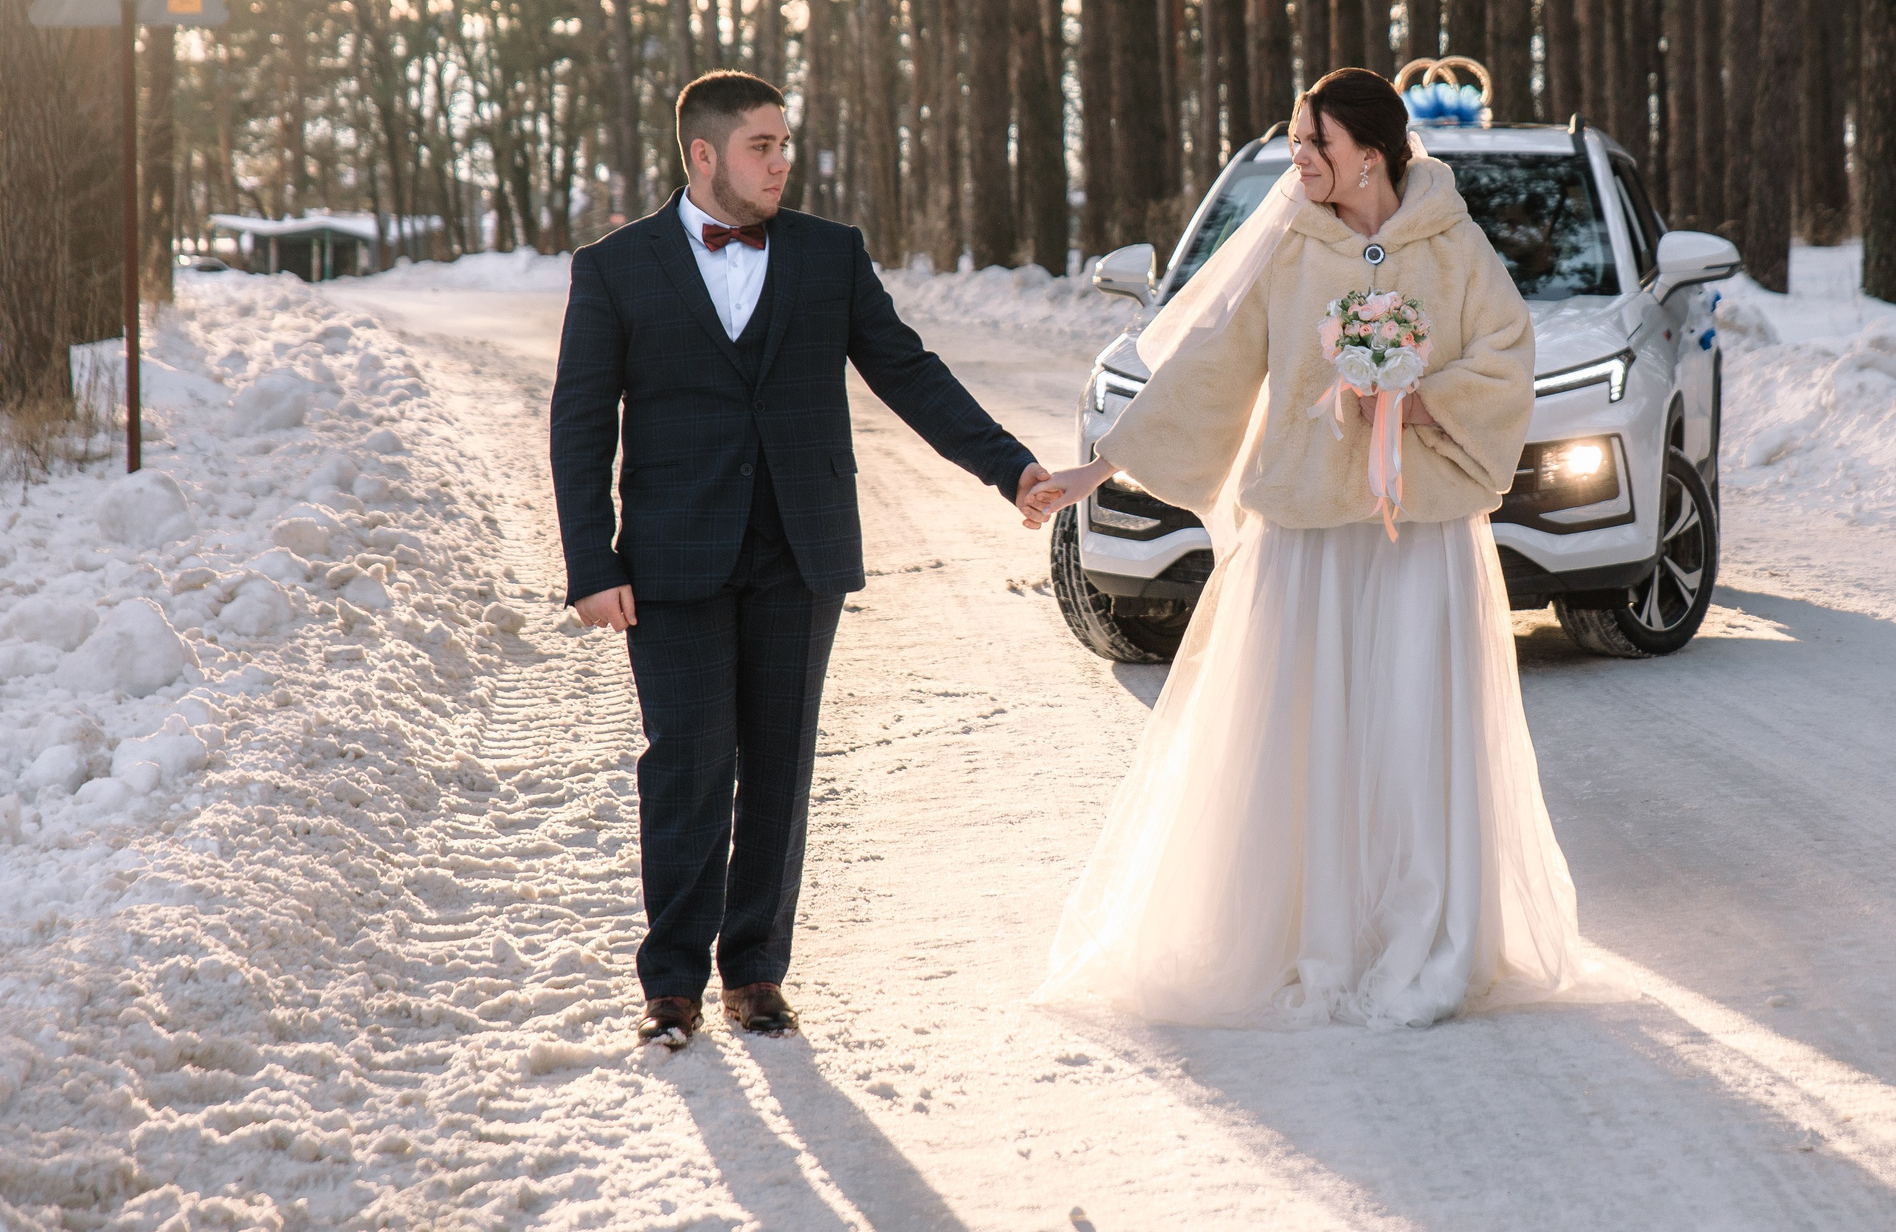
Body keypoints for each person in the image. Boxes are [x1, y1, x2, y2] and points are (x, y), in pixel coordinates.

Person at [1025, 67, 1599, 1028]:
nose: (1299, 160)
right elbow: (1208, 363)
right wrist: (1100, 467)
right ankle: (1313, 934)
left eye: (1314, 144)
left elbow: (1507, 354)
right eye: (1295, 141)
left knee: (1413, 733)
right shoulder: (1287, 246)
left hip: (1419, 535)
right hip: (1306, 538)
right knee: (1309, 734)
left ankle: (1420, 935)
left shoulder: (1453, 245)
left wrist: (1417, 399)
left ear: (1370, 153)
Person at [550, 71, 1052, 1049]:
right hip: (672, 554)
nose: (783, 162)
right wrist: (590, 561)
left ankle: (756, 974)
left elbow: (908, 373)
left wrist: (1011, 468)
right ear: (703, 156)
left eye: (785, 144)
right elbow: (579, 424)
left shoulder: (829, 256)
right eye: (761, 146)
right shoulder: (616, 268)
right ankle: (671, 984)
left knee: (778, 767)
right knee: (687, 763)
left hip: (799, 547)